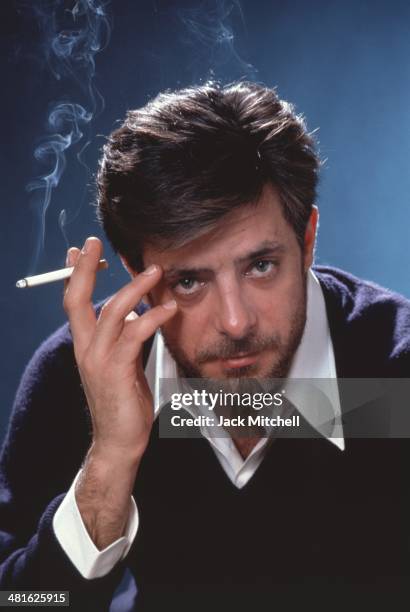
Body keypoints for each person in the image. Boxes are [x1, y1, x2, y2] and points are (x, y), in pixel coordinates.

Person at [1, 81, 410, 611]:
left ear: (307, 238)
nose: (236, 323)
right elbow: (27, 601)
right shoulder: (80, 374)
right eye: (189, 282)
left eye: (260, 266)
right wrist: (110, 461)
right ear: (134, 273)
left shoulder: (397, 370)